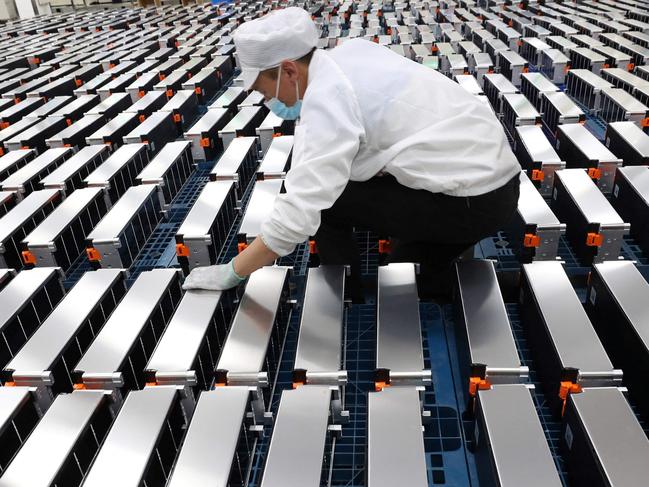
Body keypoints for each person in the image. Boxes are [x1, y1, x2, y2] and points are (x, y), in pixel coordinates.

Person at [182, 7, 521, 299]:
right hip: (494, 180)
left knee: (333, 204)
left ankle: (344, 295)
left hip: (472, 200)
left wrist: (234, 272)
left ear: (288, 70)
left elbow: (300, 213)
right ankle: (488, 279)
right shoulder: (350, 53)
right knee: (409, 270)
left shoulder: (328, 99)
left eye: (264, 88)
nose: (267, 99)